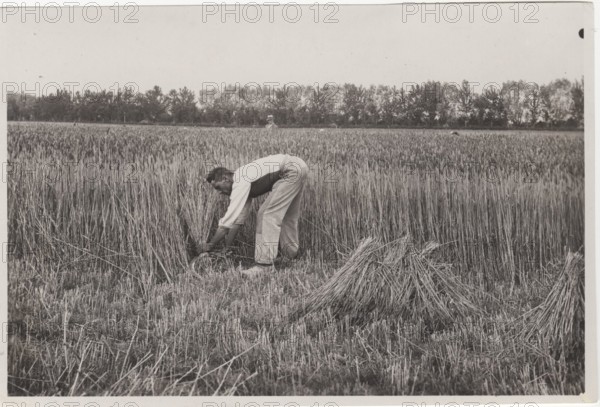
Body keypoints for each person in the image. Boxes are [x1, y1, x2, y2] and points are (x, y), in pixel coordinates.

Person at [200, 154, 308, 278]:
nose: (219, 192)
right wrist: (226, 248)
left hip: (290, 171)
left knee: (266, 215)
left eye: (218, 187)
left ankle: (264, 266)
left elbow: (226, 222)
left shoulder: (240, 180)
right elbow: (237, 220)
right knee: (287, 216)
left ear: (225, 178)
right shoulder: (245, 181)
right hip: (298, 167)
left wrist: (210, 245)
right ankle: (290, 257)